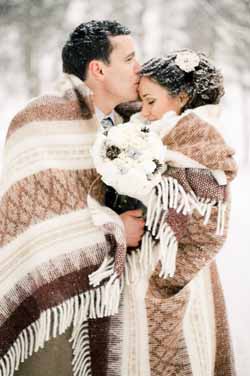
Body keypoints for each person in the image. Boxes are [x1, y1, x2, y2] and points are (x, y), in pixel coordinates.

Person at [0, 20, 145, 376]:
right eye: (129, 59)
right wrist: (115, 231)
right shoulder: (39, 120)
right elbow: (35, 221)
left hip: (118, 299)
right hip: (53, 299)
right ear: (98, 69)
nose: (139, 68)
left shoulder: (135, 126)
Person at [130, 50, 237, 375]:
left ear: (183, 97)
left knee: (185, 347)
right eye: (141, 103)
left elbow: (203, 219)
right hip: (154, 261)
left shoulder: (198, 140)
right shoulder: (159, 135)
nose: (144, 112)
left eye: (150, 101)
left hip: (179, 271)